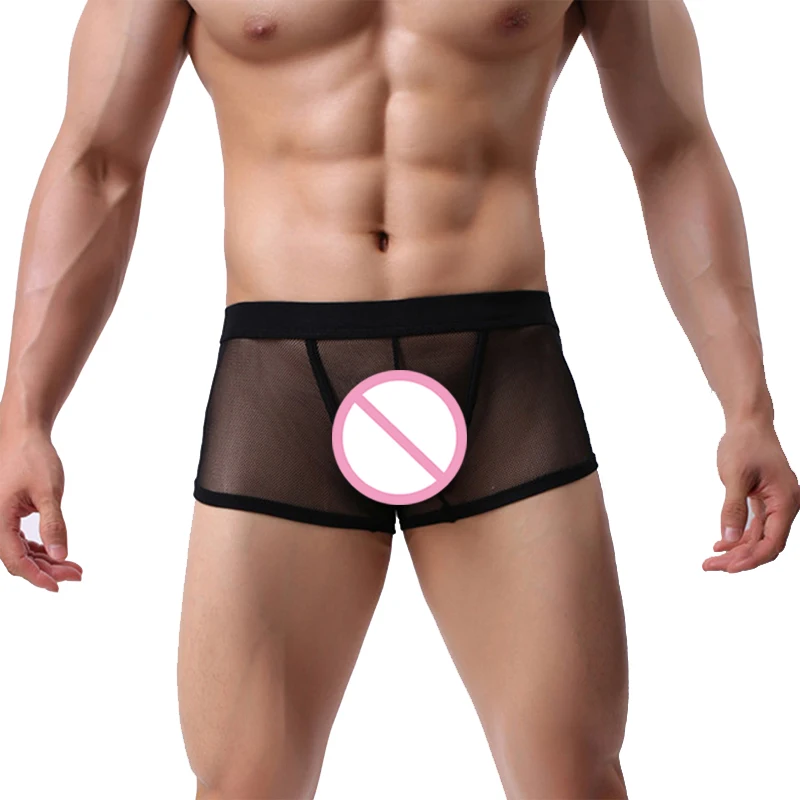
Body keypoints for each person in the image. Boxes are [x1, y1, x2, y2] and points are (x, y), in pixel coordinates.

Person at [1, 1, 797, 797]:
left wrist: (747, 408)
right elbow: (99, 163)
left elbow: (672, 149)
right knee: (243, 785)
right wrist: (25, 415)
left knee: (574, 781)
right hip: (283, 384)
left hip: (501, 377)